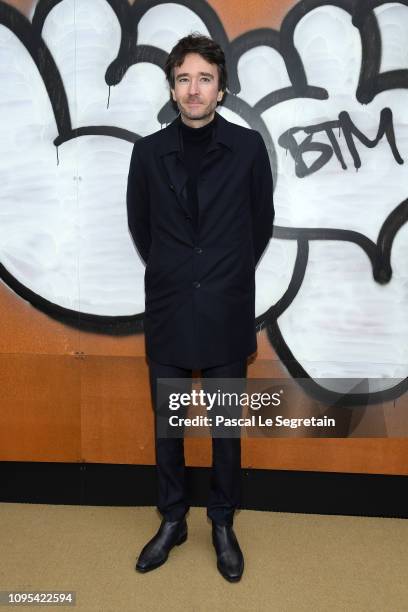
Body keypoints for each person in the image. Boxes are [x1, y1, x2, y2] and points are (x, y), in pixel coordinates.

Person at [126, 33, 274, 582]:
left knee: (225, 428)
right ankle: (172, 519)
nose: (194, 89)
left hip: (225, 307)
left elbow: (258, 225)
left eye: (204, 78)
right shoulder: (147, 151)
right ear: (172, 87)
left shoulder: (248, 148)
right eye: (184, 78)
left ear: (221, 88)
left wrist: (224, 274)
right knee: (168, 426)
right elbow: (142, 228)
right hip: (167, 307)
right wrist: (175, 272)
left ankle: (221, 522)